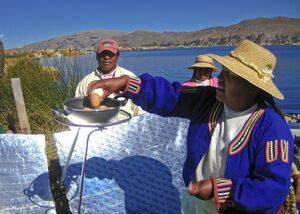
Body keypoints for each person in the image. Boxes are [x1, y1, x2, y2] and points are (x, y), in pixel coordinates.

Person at [86, 40, 294, 213]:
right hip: (200, 201)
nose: (219, 78)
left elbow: (273, 188)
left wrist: (219, 189)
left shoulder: (272, 128)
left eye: (230, 76)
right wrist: (125, 83)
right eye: (223, 71)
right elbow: (171, 94)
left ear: (251, 88)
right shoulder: (209, 101)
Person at [75, 38, 145, 118]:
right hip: (94, 126)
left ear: (117, 56)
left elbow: (140, 110)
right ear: (97, 56)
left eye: (111, 54)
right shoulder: (85, 82)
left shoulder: (130, 78)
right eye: (103, 54)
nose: (107, 57)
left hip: (125, 124)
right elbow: (78, 109)